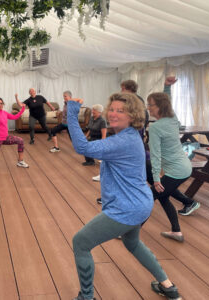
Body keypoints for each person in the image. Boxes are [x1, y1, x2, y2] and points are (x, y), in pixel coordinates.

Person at [67, 92, 181, 300]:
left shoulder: (123, 141)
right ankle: (168, 286)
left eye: (121, 111)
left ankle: (86, 297)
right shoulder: (129, 136)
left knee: (80, 243)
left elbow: (82, 147)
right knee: (133, 243)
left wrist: (72, 114)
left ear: (133, 116)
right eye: (112, 109)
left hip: (127, 207)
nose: (113, 113)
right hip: (140, 203)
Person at [147, 84, 200, 243]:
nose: (148, 108)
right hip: (184, 167)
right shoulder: (173, 119)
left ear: (160, 107)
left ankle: (128, 233)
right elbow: (166, 100)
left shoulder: (155, 127)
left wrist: (156, 179)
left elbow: (155, 156)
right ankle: (176, 231)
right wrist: (167, 87)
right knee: (163, 197)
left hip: (176, 170)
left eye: (150, 105)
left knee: (148, 198)